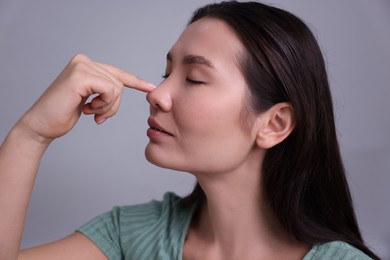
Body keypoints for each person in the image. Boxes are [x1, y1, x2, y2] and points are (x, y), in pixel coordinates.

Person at [0, 1, 379, 259]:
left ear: (273, 124)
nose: (158, 94)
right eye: (166, 73)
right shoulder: (132, 236)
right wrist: (30, 135)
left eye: (194, 79)